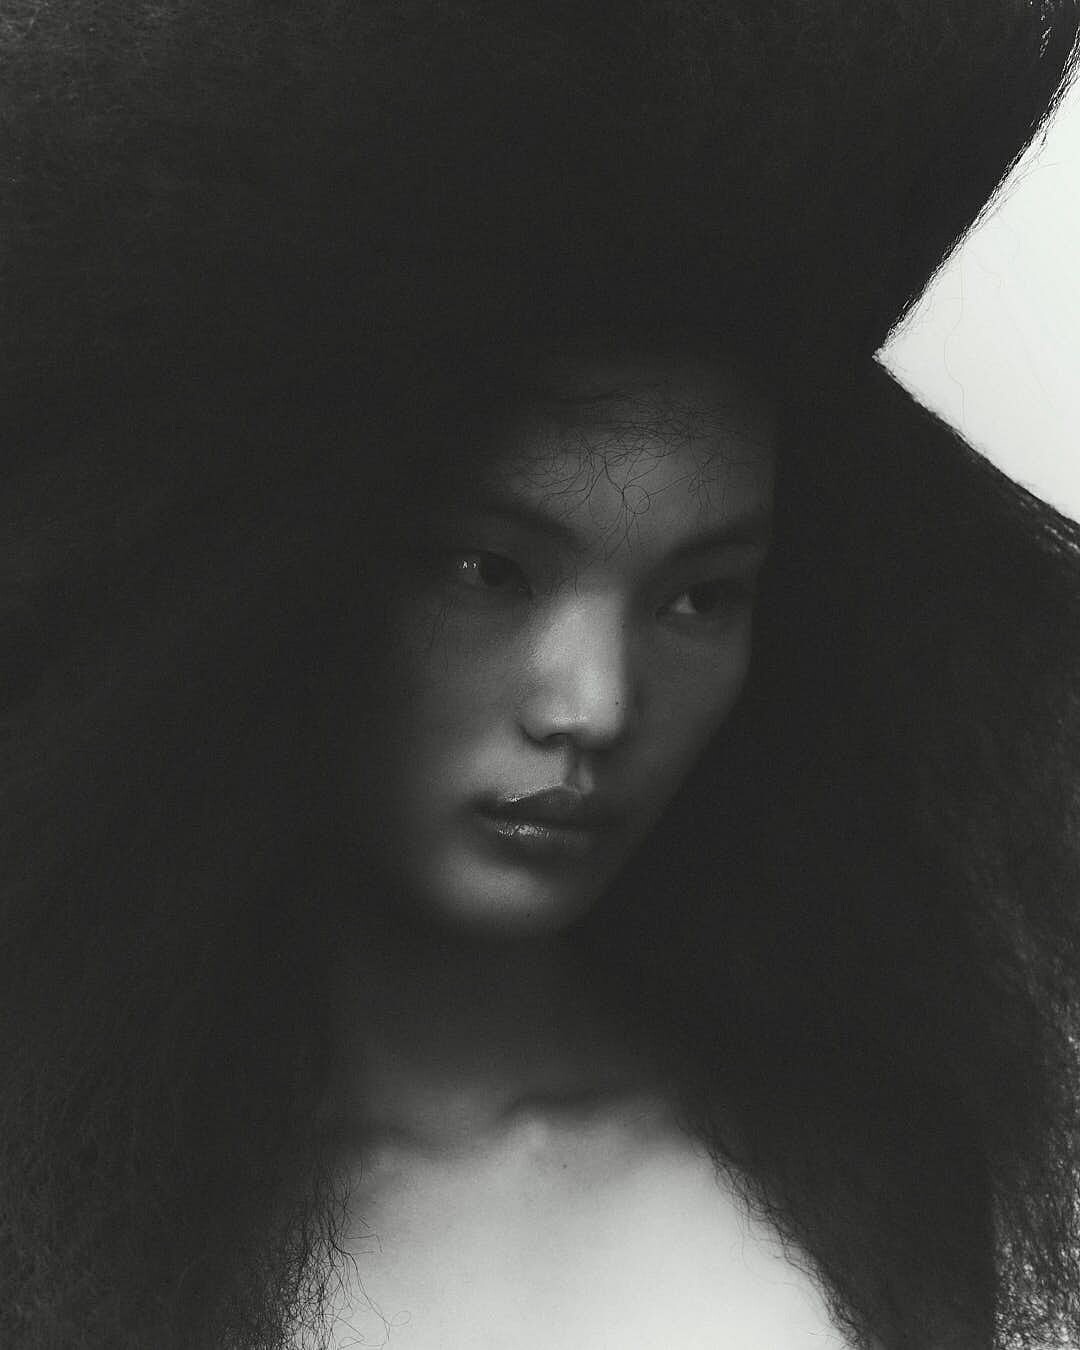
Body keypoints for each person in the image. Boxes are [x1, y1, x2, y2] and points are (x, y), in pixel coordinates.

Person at [2, 3, 1080, 1348]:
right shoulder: (50, 1209)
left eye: (700, 595)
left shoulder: (876, 1149)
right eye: (487, 571)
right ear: (287, 583)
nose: (596, 705)